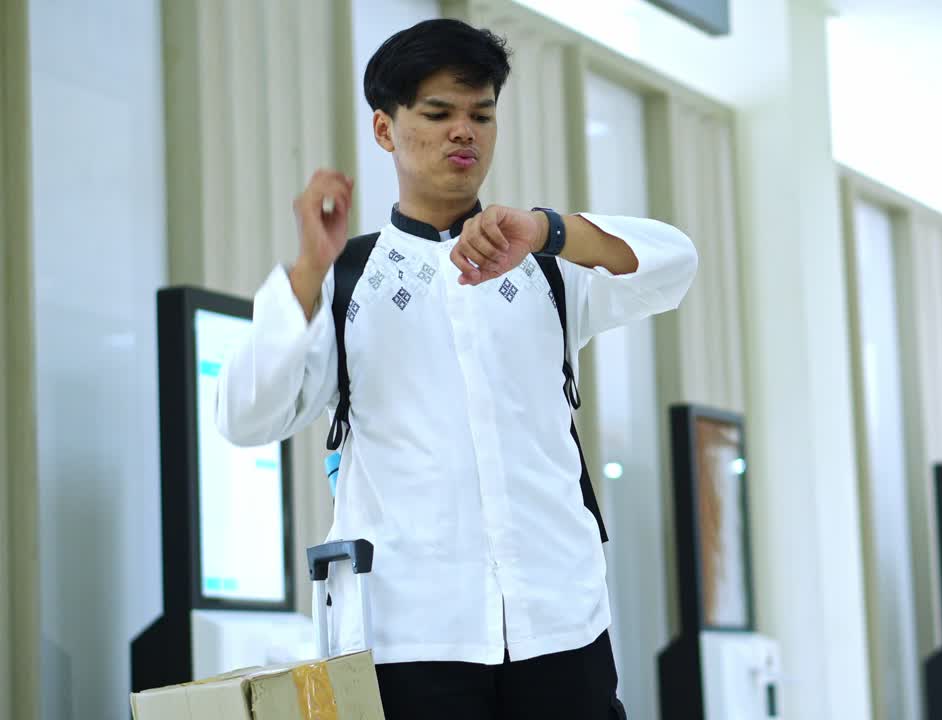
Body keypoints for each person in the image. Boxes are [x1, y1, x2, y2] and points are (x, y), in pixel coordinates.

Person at [215, 18, 697, 720]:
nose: (463, 132)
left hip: (560, 621)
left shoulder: (543, 263)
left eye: (481, 115)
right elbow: (243, 416)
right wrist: (310, 270)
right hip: (408, 635)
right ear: (385, 129)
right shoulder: (346, 281)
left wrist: (549, 230)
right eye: (438, 113)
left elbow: (674, 264)